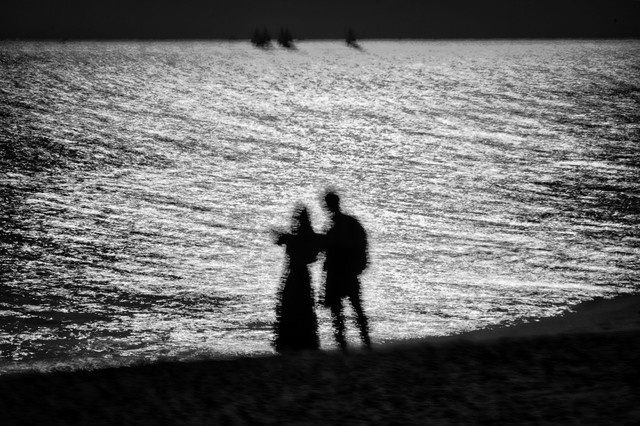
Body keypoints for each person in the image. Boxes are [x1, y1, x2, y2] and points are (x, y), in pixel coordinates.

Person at [320, 190, 371, 351]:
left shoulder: (344, 224)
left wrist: (358, 265)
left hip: (344, 270)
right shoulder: (337, 225)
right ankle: (351, 344)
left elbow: (360, 244)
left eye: (328, 204)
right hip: (340, 270)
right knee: (344, 308)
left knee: (350, 307)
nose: (328, 207)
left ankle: (359, 343)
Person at [272, 206, 321, 353]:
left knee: (290, 306)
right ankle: (305, 342)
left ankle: (289, 343)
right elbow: (314, 255)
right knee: (303, 307)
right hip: (303, 275)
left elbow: (279, 241)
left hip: (294, 274)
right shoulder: (309, 237)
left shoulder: (295, 238)